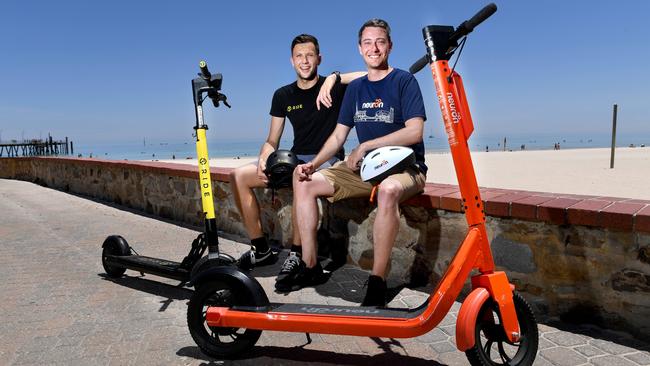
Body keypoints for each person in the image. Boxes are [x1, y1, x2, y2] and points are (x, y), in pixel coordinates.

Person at [277, 19, 427, 307]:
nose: (374, 47)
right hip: (366, 170)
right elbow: (337, 136)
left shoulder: (404, 80)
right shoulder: (356, 88)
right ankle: (310, 267)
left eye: (380, 41)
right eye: (368, 42)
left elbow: (415, 131)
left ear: (389, 46)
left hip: (406, 169)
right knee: (304, 181)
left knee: (388, 191)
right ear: (360, 49)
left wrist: (366, 145)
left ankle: (377, 282)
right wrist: (315, 163)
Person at [230, 34, 364, 269]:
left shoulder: (335, 88)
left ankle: (296, 254)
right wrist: (264, 158)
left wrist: (335, 78)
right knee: (238, 176)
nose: (305, 61)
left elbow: (372, 75)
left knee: (300, 179)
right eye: (299, 56)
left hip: (327, 159)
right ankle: (260, 249)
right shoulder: (283, 95)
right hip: (295, 158)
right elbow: (272, 139)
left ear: (319, 59)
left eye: (310, 55)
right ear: (292, 61)